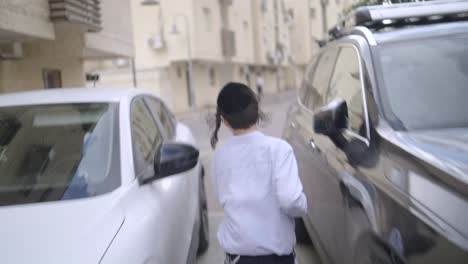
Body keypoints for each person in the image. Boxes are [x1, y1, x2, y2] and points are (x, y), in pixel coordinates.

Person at [210, 82, 308, 264]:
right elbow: (291, 200)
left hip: (237, 258)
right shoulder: (279, 150)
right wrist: (303, 204)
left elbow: (221, 197)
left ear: (224, 121)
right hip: (277, 258)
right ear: (257, 110)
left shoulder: (219, 157)